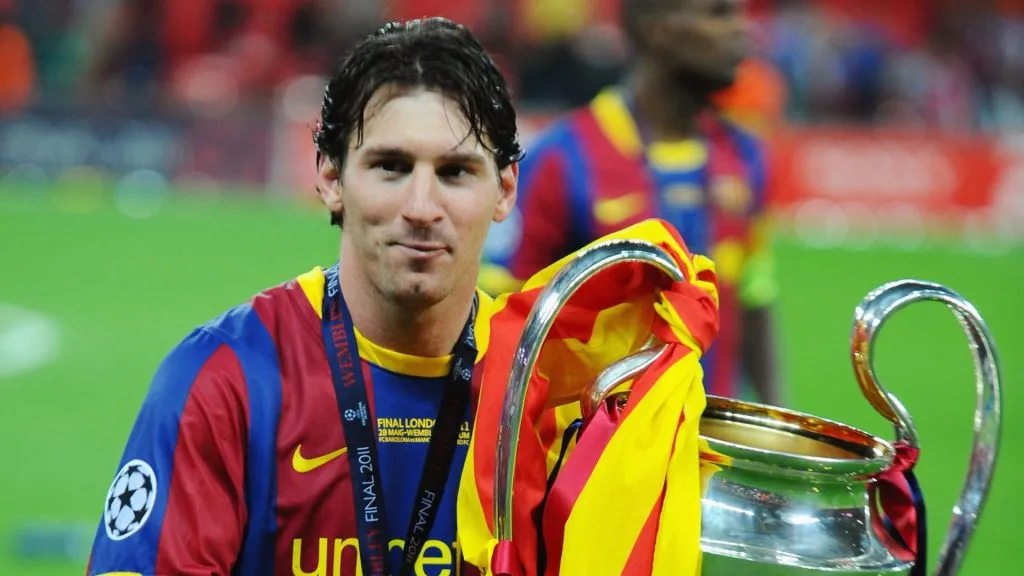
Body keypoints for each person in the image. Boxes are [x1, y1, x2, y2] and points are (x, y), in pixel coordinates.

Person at [86, 17, 524, 576]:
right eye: (390, 167)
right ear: (331, 177)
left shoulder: (540, 386)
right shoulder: (227, 379)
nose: (421, 207)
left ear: (504, 190)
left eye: (455, 171)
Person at [481, 0, 782, 405]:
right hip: (596, 456)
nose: (742, 30)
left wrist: (776, 417)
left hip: (711, 454)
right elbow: (503, 314)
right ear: (655, 28)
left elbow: (753, 297)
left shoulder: (746, 157)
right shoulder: (564, 157)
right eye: (718, 13)